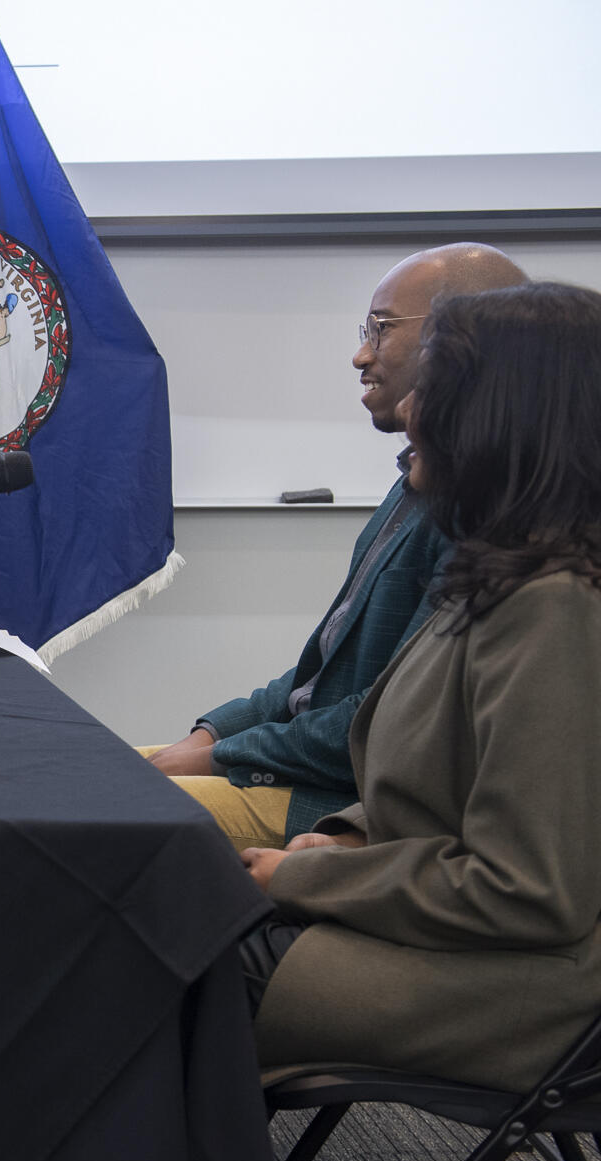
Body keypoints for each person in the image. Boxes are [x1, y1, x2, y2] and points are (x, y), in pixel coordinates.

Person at [237, 281, 601, 1090]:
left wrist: (311, 875)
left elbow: (530, 893)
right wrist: (350, 836)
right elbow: (455, 779)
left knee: (139, 969)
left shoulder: (556, 607)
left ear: (497, 419)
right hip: (440, 936)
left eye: (429, 391)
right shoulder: (508, 572)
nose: (407, 414)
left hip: (512, 987)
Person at [144, 244, 528, 851]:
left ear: (462, 340)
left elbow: (384, 722)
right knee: (96, 772)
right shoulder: (415, 480)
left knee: (99, 811)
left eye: (381, 328)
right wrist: (215, 733)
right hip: (309, 765)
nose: (361, 353)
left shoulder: (481, 510)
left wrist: (228, 758)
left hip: (345, 803)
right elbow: (315, 678)